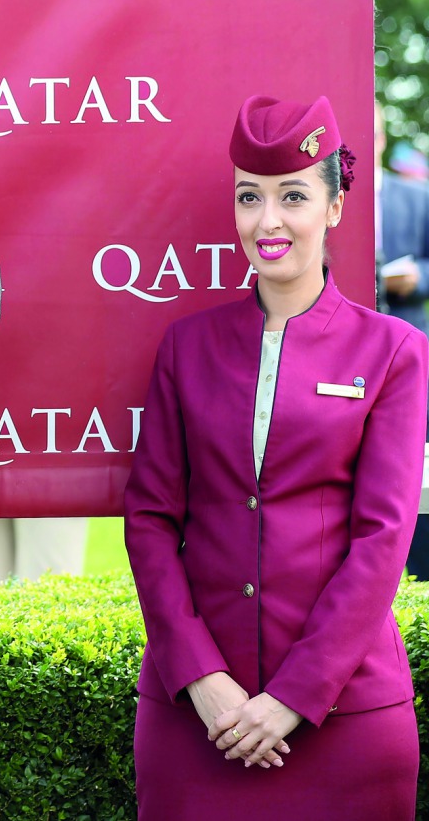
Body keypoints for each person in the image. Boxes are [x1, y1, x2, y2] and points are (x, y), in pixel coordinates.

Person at [124, 95, 427, 820]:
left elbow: (383, 539)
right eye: (248, 198)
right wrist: (201, 679)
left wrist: (293, 696)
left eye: (293, 196)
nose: (268, 221)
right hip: (197, 717)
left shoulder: (393, 352)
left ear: (334, 207)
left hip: (345, 716)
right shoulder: (187, 347)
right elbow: (150, 520)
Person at [375, 102, 429, 579]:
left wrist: (420, 278)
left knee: (413, 459)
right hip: (352, 354)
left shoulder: (417, 196)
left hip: (411, 342)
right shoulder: (323, 199)